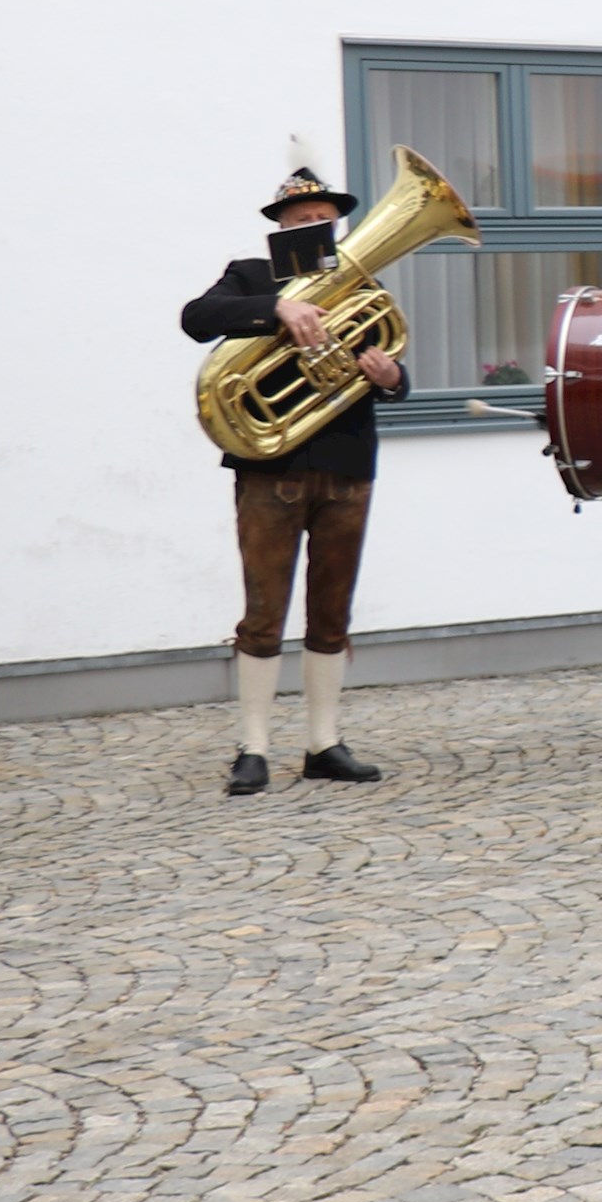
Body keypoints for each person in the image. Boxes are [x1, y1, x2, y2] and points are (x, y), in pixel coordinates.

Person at [181, 141, 405, 796]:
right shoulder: (250, 276)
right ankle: (252, 746)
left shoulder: (365, 287)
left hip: (347, 470)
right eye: (298, 218)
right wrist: (275, 308)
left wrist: (392, 376)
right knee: (263, 612)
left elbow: (394, 366)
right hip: (269, 471)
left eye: (321, 218)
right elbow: (195, 319)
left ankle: (323, 742)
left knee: (332, 612)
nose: (311, 227)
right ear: (279, 227)